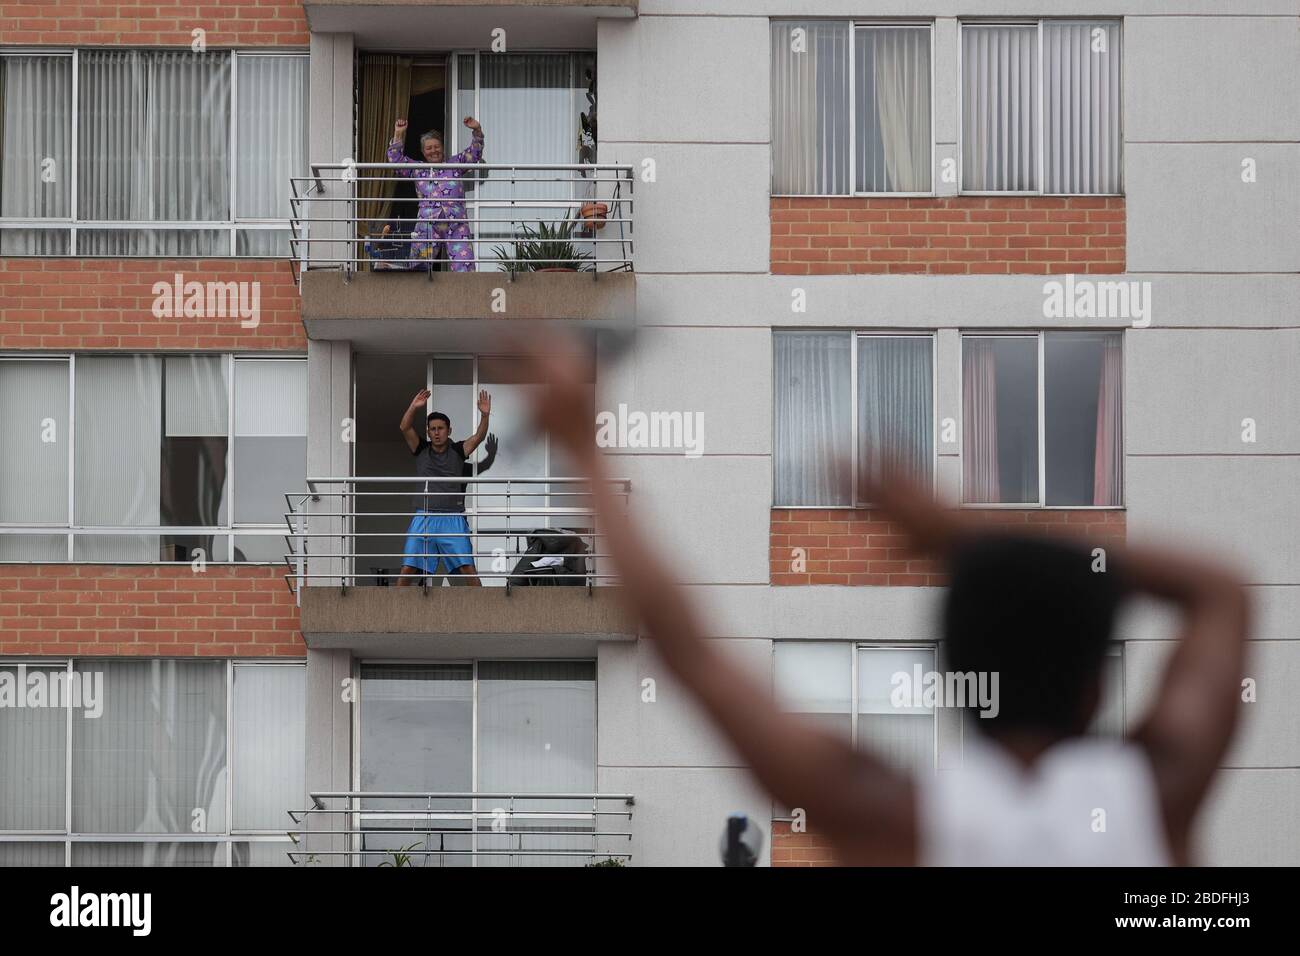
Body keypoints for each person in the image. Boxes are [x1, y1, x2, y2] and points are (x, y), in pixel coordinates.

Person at [520, 342, 1251, 866]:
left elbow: (691, 654)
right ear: (1095, 690)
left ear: (954, 682)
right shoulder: (1155, 799)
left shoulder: (898, 817)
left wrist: (583, 446)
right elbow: (1220, 592)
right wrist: (959, 530)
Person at [397, 387, 492, 586]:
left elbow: (478, 437)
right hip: (425, 516)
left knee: (468, 568)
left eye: (441, 428)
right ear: (428, 432)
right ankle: (393, 615)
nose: (437, 432)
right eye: (433, 429)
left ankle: (486, 612)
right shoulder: (421, 448)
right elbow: (405, 427)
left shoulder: (458, 450)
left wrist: (485, 415)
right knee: (408, 568)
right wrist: (414, 407)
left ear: (449, 430)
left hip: (453, 518)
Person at [387, 116, 484, 271]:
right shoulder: (418, 169)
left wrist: (477, 130)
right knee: (419, 267)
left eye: (436, 146)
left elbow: (474, 154)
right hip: (427, 223)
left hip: (456, 222)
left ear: (442, 147)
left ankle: (465, 295)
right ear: (423, 152)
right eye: (429, 148)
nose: (433, 150)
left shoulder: (455, 164)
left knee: (464, 266)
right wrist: (398, 134)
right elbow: (396, 161)